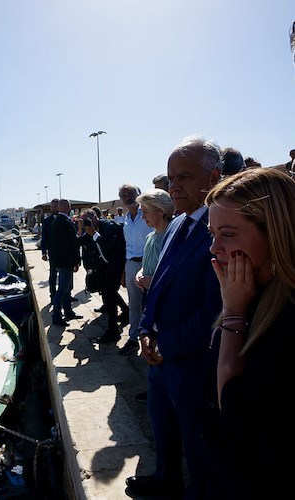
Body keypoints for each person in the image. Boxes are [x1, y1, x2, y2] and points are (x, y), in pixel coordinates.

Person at [126, 136, 223, 499]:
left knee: (198, 443)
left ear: (212, 177)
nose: (173, 186)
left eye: (183, 177)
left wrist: (164, 343)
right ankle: (165, 478)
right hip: (160, 356)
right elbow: (160, 285)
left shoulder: (218, 229)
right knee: (162, 429)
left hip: (193, 362)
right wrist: (146, 328)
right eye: (170, 178)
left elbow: (213, 312)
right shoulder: (178, 225)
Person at [204, 168, 295, 500]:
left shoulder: (285, 319)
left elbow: (236, 411)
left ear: (276, 234)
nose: (214, 248)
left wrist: (234, 315)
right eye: (212, 233)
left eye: (227, 234)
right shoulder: (245, 292)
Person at [132, 189, 174, 404]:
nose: (143, 216)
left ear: (160, 211)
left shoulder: (172, 237)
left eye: (146, 211)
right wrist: (141, 273)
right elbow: (147, 264)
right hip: (149, 298)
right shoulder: (150, 237)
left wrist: (153, 281)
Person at [78, 209, 128, 342]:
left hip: (115, 265)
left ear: (95, 217)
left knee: (109, 295)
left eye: (88, 220)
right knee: (108, 294)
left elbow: (110, 250)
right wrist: (80, 230)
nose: (87, 223)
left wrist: (94, 234)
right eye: (84, 221)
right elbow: (79, 242)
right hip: (103, 268)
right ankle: (125, 312)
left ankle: (113, 331)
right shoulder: (88, 230)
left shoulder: (109, 227)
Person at [118, 184, 151, 353]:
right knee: (134, 304)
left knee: (150, 302)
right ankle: (132, 338)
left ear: (139, 194)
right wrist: (125, 271)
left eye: (131, 194)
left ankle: (151, 339)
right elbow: (128, 245)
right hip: (131, 263)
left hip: (148, 263)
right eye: (124, 195)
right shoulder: (125, 220)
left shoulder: (147, 214)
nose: (128, 197)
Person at [49, 199, 82, 327]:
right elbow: (72, 244)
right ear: (68, 207)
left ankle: (68, 311)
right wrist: (76, 261)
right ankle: (56, 315)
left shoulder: (56, 221)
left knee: (66, 289)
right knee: (63, 289)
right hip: (66, 262)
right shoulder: (66, 222)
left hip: (60, 261)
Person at [41, 198, 59, 301]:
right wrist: (44, 253)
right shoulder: (47, 221)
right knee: (53, 275)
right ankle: (53, 295)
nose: (53, 209)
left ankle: (67, 295)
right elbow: (44, 238)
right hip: (52, 253)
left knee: (65, 276)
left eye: (55, 206)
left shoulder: (64, 219)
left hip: (63, 253)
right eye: (51, 207)